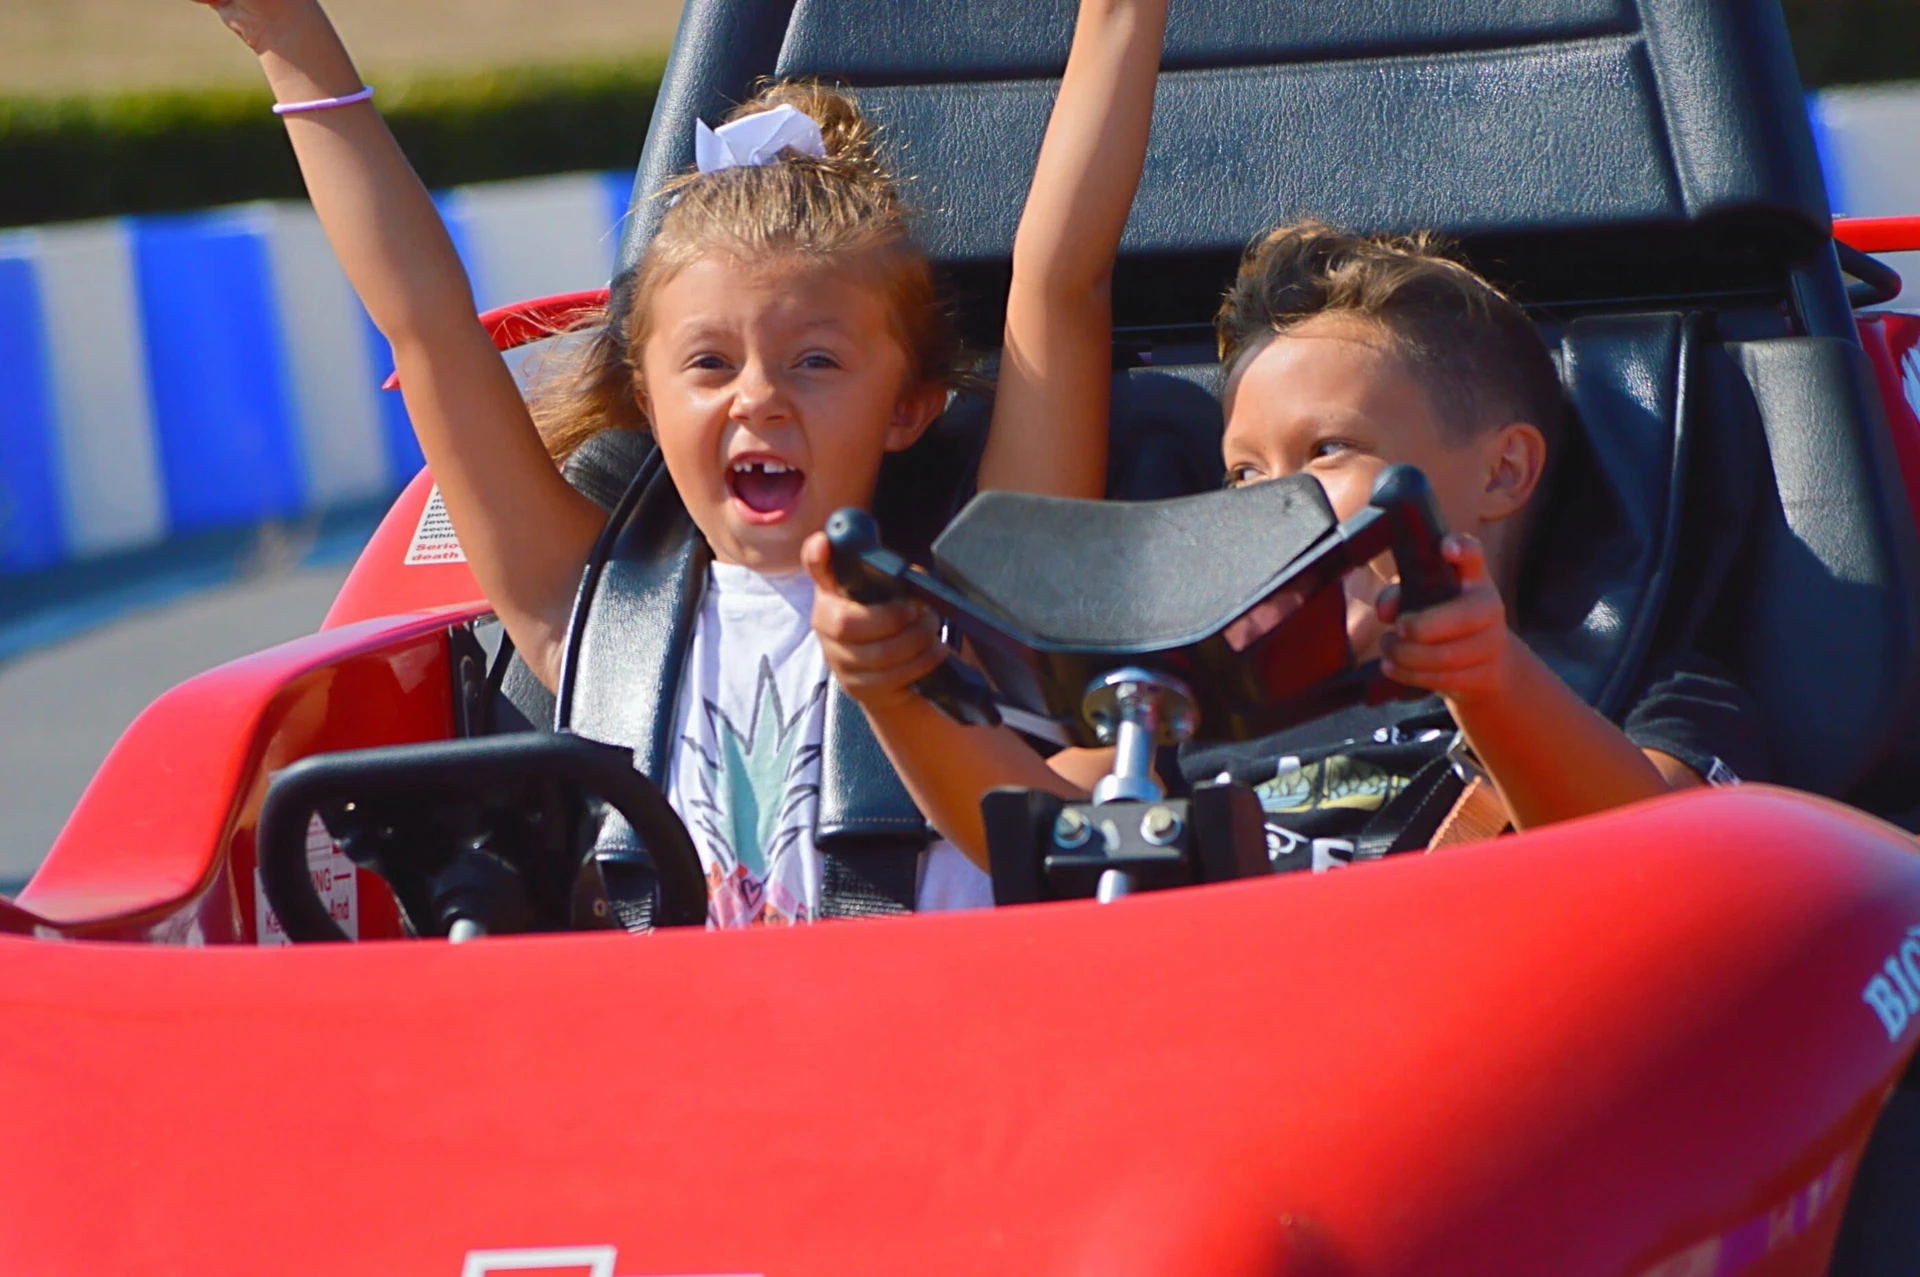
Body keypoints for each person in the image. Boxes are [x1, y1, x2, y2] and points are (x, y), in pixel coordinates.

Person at [191, 0, 1169, 922]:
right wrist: (286, 34)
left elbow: (1061, 280)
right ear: (648, 403)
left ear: (910, 404)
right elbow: (428, 329)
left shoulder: (978, 599)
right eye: (710, 363)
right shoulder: (596, 620)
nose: (759, 397)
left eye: (814, 362)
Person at [806, 222, 1766, 869]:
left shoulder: (1635, 684)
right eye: (1245, 477)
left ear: (1505, 471)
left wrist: (1490, 682)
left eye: (1327, 451)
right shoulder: (1203, 707)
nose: (1273, 511)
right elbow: (1026, 825)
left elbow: (1660, 866)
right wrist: (899, 687)